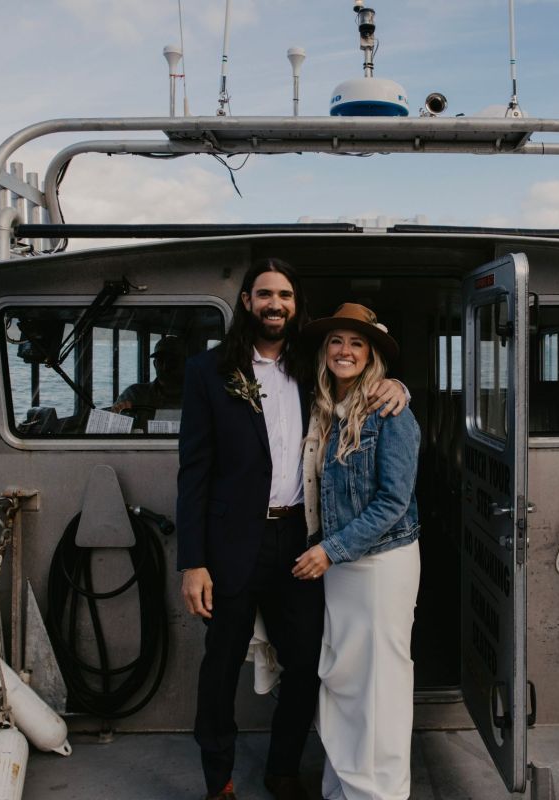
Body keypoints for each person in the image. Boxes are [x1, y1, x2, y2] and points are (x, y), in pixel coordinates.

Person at [176, 260, 407, 800]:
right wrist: (193, 562)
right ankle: (218, 780)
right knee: (221, 666)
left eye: (284, 295)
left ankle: (283, 769)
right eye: (264, 294)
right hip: (230, 545)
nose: (274, 304)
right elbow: (193, 472)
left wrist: (397, 386)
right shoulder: (208, 371)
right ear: (247, 301)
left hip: (299, 541)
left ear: (295, 305)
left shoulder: (312, 366)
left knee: (306, 663)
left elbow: (360, 381)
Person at [293, 303, 421, 800]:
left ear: (371, 356)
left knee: (381, 683)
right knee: (344, 677)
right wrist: (331, 552)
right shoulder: (324, 408)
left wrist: (332, 550)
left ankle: (381, 793)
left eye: (356, 343)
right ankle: (345, 786)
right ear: (325, 351)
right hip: (341, 565)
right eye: (336, 341)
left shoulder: (391, 411)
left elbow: (394, 502)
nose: (344, 351)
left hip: (380, 564)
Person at [113, 335, 186, 430]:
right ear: (154, 364)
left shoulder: (200, 396)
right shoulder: (134, 395)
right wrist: (117, 417)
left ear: (185, 363)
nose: (165, 367)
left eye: (172, 361)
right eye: (160, 361)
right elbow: (115, 428)